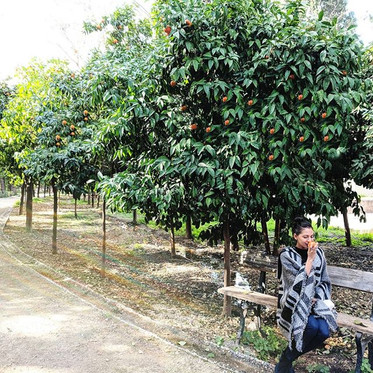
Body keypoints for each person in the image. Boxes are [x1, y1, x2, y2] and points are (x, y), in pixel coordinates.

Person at [275, 217, 338, 373]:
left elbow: (324, 280)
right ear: (295, 236)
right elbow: (294, 285)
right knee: (311, 327)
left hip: (315, 301)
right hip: (294, 301)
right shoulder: (286, 255)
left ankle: (286, 359)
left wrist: (318, 297)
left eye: (312, 236)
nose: (309, 240)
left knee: (323, 332)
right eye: (305, 237)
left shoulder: (320, 253)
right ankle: (285, 363)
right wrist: (309, 259)